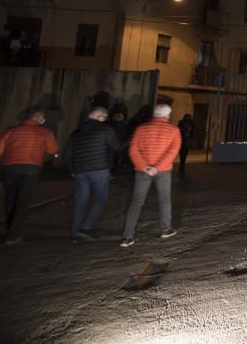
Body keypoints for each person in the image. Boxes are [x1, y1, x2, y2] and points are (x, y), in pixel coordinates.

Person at [0, 108, 59, 245]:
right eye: (43, 117)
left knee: (10, 200)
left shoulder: (10, 131)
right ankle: (13, 235)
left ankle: (11, 230)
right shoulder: (45, 132)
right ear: (37, 117)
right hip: (31, 169)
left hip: (10, 169)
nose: (44, 119)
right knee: (23, 202)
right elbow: (53, 150)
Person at [121, 103, 181, 247]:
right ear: (167, 115)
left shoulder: (141, 129)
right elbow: (173, 151)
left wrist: (145, 166)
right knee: (164, 200)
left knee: (136, 202)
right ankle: (165, 229)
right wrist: (158, 167)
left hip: (143, 171)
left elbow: (133, 150)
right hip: (163, 171)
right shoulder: (174, 130)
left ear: (155, 114)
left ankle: (128, 236)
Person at [63, 106, 120, 241]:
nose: (106, 120)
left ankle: (75, 233)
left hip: (80, 171)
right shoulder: (106, 130)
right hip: (99, 169)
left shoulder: (76, 132)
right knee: (101, 198)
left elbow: (67, 154)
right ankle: (86, 227)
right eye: (105, 117)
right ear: (100, 117)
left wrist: (72, 170)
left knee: (81, 201)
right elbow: (117, 147)